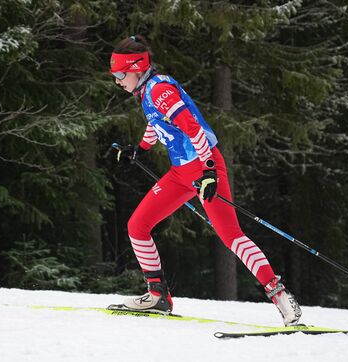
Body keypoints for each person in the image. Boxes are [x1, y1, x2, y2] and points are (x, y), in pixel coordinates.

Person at [109, 35, 302, 326]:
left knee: (231, 236)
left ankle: (281, 297)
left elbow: (193, 128)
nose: (117, 81)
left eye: (120, 75)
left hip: (203, 169)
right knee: (137, 226)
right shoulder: (148, 92)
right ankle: (158, 296)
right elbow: (155, 123)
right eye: (115, 76)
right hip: (179, 174)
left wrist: (209, 170)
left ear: (137, 68)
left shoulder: (160, 89)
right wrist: (140, 149)